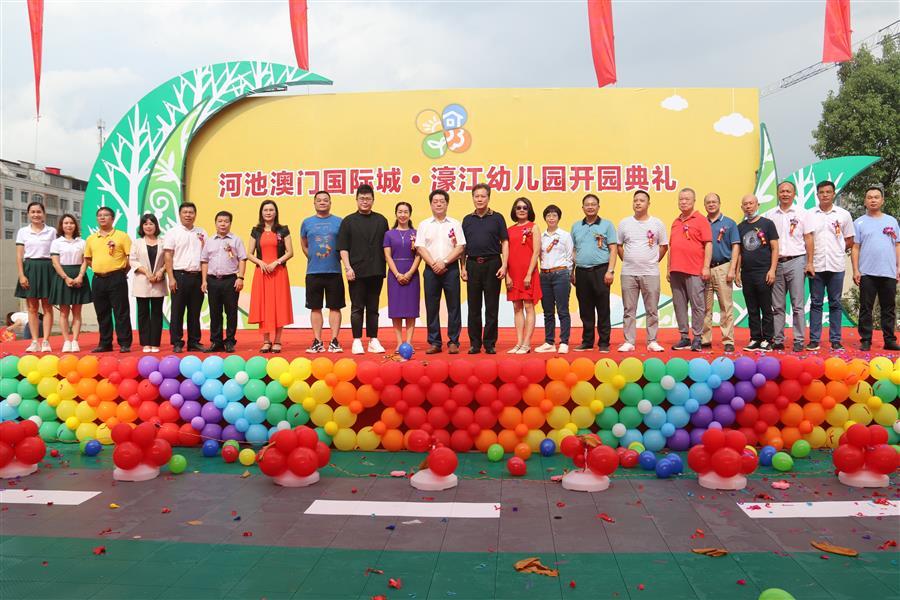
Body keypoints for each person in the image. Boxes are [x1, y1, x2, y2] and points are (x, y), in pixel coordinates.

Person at [338, 183, 390, 355]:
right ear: (356, 200)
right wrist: (348, 268)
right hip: (356, 272)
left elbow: (387, 246)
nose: (365, 201)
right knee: (357, 307)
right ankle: (357, 340)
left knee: (373, 308)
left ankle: (373, 340)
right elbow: (343, 248)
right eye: (362, 199)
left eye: (368, 199)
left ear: (373, 200)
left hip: (376, 270)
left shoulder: (381, 220)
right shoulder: (348, 221)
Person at [763, 181, 814, 352]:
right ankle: (778, 339)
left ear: (794, 194)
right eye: (782, 191)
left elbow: (808, 238)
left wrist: (809, 262)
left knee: (797, 304)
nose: (785, 194)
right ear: (778, 193)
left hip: (797, 260)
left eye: (788, 191)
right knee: (777, 305)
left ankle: (799, 339)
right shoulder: (770, 215)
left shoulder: (803, 213)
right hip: (776, 263)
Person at [416, 189, 466, 354]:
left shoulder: (455, 224)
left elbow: (460, 247)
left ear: (447, 204)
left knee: (454, 306)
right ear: (431, 204)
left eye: (442, 201)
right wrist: (433, 264)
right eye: (435, 201)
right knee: (431, 306)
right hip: (430, 269)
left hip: (450, 268)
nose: (438, 204)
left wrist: (444, 262)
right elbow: (420, 247)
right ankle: (435, 342)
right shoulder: (424, 224)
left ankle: (453, 341)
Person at [616, 190, 668, 353]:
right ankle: (629, 341)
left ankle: (652, 341)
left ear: (648, 203)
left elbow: (664, 246)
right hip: (628, 273)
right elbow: (619, 245)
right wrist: (629, 260)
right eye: (635, 200)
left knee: (652, 309)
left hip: (651, 273)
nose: (638, 203)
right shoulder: (624, 223)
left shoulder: (657, 223)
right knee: (629, 309)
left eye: (642, 200)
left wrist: (652, 261)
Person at [461, 183, 509, 354]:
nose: (479, 199)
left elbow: (505, 242)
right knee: (473, 307)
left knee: (492, 306)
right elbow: (462, 247)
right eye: (477, 196)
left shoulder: (498, 218)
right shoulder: (467, 220)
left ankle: (489, 343)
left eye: (483, 196)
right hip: (472, 265)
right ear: (473, 198)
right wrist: (463, 267)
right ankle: (475, 343)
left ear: (488, 198)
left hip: (493, 264)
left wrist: (504, 265)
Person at [851, 186, 899, 352]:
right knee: (866, 308)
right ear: (865, 201)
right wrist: (856, 270)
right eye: (869, 197)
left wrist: (898, 267)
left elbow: (897, 245)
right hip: (867, 272)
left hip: (888, 271)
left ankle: (890, 340)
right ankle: (865, 340)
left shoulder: (892, 221)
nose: (873, 200)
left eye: (876, 197)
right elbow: (855, 247)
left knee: (889, 308)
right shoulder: (859, 222)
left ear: (882, 200)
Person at [807, 180, 854, 351]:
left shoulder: (843, 214)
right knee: (816, 303)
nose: (825, 195)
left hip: (836, 265)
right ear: (817, 195)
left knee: (835, 303)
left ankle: (835, 339)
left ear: (834, 194)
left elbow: (849, 239)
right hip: (816, 265)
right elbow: (807, 238)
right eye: (822, 192)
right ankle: (814, 339)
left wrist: (838, 250)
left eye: (828, 192)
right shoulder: (810, 214)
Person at [571, 194, 617, 352]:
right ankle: (587, 341)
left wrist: (610, 270)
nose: (590, 207)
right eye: (587, 204)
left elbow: (613, 249)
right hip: (581, 272)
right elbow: (574, 250)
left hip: (601, 270)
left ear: (598, 207)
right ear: (582, 207)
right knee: (585, 309)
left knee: (603, 308)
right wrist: (572, 271)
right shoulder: (576, 226)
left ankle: (604, 342)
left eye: (593, 204)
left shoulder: (607, 225)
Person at [667, 188, 712, 351]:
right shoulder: (675, 222)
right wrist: (668, 268)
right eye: (681, 199)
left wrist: (706, 267)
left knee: (697, 305)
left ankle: (698, 337)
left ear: (694, 201)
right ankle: (684, 337)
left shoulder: (701, 220)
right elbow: (671, 247)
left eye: (687, 199)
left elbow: (708, 244)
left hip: (695, 270)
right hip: (676, 270)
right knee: (679, 305)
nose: (683, 202)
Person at [301, 191, 344, 353]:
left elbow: (344, 245)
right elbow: (304, 244)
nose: (322, 202)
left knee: (335, 307)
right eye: (319, 200)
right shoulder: (307, 223)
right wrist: (313, 257)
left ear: (330, 203)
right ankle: (317, 341)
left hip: (334, 271)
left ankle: (334, 341)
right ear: (314, 203)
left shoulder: (339, 222)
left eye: (325, 200)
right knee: (315, 307)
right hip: (313, 271)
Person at [248, 200, 294, 353]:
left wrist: (277, 262)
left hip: (279, 272)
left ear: (276, 212)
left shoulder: (283, 230)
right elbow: (249, 253)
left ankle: (278, 340)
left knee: (279, 305)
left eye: (271, 210)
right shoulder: (256, 231)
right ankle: (266, 341)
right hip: (262, 273)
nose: (268, 212)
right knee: (264, 305)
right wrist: (260, 262)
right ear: (261, 213)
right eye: (265, 210)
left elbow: (290, 252)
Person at [84, 206, 132, 353]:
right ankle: (105, 343)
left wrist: (121, 272)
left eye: (106, 215)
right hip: (98, 279)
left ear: (112, 218)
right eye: (99, 215)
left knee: (121, 312)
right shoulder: (91, 238)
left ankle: (124, 343)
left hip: (117, 277)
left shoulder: (122, 236)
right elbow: (88, 259)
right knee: (102, 313)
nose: (102, 218)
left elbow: (130, 257)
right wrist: (99, 269)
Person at [735, 194, 779, 351]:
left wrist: (772, 270)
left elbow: (775, 248)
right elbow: (739, 252)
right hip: (747, 273)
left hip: (764, 271)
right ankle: (755, 338)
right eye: (745, 204)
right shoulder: (740, 227)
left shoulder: (767, 224)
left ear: (757, 205)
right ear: (742, 207)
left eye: (751, 203)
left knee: (766, 307)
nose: (748, 207)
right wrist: (737, 271)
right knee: (752, 308)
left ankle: (768, 339)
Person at [201, 211, 247, 353]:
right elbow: (204, 261)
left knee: (231, 312)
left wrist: (240, 278)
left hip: (230, 280)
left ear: (230, 223)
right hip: (213, 280)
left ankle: (230, 341)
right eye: (220, 221)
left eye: (226, 221)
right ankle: (216, 342)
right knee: (215, 313)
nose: (223, 224)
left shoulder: (236, 240)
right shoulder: (209, 241)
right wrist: (204, 280)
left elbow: (242, 259)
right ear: (215, 223)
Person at [164, 202, 207, 352]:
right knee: (177, 311)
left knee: (195, 312)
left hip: (197, 277)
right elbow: (168, 255)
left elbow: (205, 257)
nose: (188, 215)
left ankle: (194, 342)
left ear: (195, 214)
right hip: (179, 276)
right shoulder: (173, 232)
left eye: (191, 212)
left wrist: (204, 279)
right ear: (180, 214)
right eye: (185, 212)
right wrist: (171, 278)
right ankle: (177, 342)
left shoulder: (202, 232)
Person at [15, 201, 56, 352]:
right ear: (28, 214)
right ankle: (34, 341)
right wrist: (21, 275)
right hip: (30, 268)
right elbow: (19, 256)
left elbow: (56, 253)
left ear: (44, 214)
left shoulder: (52, 231)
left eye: (38, 212)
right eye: (32, 212)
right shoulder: (22, 232)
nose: (36, 215)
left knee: (47, 306)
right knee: (32, 308)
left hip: (48, 268)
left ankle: (45, 341)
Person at [701, 193, 740, 352]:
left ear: (719, 203)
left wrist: (732, 269)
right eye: (708, 202)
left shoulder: (729, 223)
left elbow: (736, 247)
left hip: (723, 267)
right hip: (705, 269)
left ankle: (728, 340)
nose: (711, 204)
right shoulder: (701, 223)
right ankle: (705, 339)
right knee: (705, 307)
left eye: (714, 202)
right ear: (704, 205)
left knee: (726, 306)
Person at [49, 213, 92, 352]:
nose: (69, 225)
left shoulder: (82, 242)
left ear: (75, 225)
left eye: (71, 223)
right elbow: (55, 263)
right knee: (63, 312)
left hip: (79, 276)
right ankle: (66, 341)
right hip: (62, 276)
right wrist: (65, 277)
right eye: (66, 223)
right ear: (61, 226)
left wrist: (80, 276)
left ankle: (75, 341)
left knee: (77, 312)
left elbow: (85, 261)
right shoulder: (56, 242)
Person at [384, 202, 422, 352]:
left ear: (410, 214)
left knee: (411, 309)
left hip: (412, 273)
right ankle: (399, 343)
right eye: (400, 212)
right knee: (396, 309)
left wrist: (410, 273)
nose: (403, 215)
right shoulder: (389, 234)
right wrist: (397, 274)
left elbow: (419, 255)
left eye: (406, 212)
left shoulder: (416, 233)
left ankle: (409, 342)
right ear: (396, 214)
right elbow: (387, 256)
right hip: (395, 274)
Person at [506, 197, 542, 354]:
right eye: (518, 207)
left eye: (525, 207)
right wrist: (507, 275)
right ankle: (519, 342)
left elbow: (536, 252)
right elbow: (505, 254)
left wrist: (529, 274)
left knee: (528, 306)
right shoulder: (509, 230)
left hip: (528, 273)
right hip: (513, 273)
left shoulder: (534, 227)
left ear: (529, 210)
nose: (521, 210)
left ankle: (527, 343)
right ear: (514, 210)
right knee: (517, 307)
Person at [535, 204, 573, 354]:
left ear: (559, 218)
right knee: (548, 311)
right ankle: (549, 342)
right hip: (544, 275)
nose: (551, 218)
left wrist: (567, 273)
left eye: (554, 215)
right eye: (548, 215)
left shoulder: (565, 235)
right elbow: (538, 255)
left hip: (560, 274)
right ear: (545, 218)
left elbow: (570, 256)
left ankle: (564, 342)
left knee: (562, 310)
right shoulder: (541, 237)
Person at [130, 214, 167, 353]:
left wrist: (161, 271)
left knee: (157, 313)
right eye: (145, 224)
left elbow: (169, 259)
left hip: (158, 280)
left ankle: (155, 343)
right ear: (142, 227)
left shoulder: (163, 242)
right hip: (142, 281)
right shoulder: (137, 243)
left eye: (151, 223)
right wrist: (146, 272)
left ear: (156, 225)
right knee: (143, 313)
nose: (148, 226)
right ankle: (145, 343)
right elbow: (132, 260)